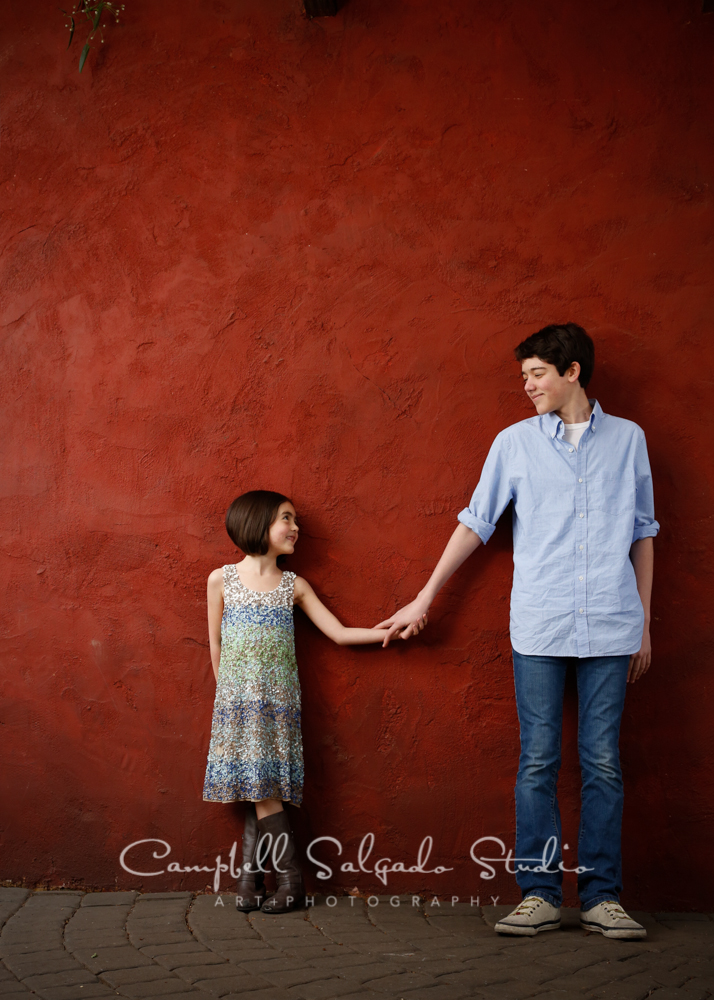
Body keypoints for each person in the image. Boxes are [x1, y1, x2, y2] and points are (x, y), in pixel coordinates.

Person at [377, 324, 658, 940]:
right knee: (537, 761)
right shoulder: (513, 444)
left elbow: (643, 532)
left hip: (611, 624)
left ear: (573, 371)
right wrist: (425, 596)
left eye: (536, 374)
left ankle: (602, 897)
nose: (527, 386)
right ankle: (536, 894)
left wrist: (642, 622)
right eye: (525, 376)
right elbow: (476, 524)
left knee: (603, 762)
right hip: (539, 623)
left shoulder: (629, 440)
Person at [203, 490, 423, 914]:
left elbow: (338, 633)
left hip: (279, 704)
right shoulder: (222, 580)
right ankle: (262, 883)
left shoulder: (294, 586)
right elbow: (214, 642)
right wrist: (228, 698)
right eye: (287, 519)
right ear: (257, 523)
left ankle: (268, 883)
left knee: (263, 787)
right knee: (261, 788)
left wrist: (394, 631)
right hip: (237, 704)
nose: (296, 527)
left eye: (295, 519)